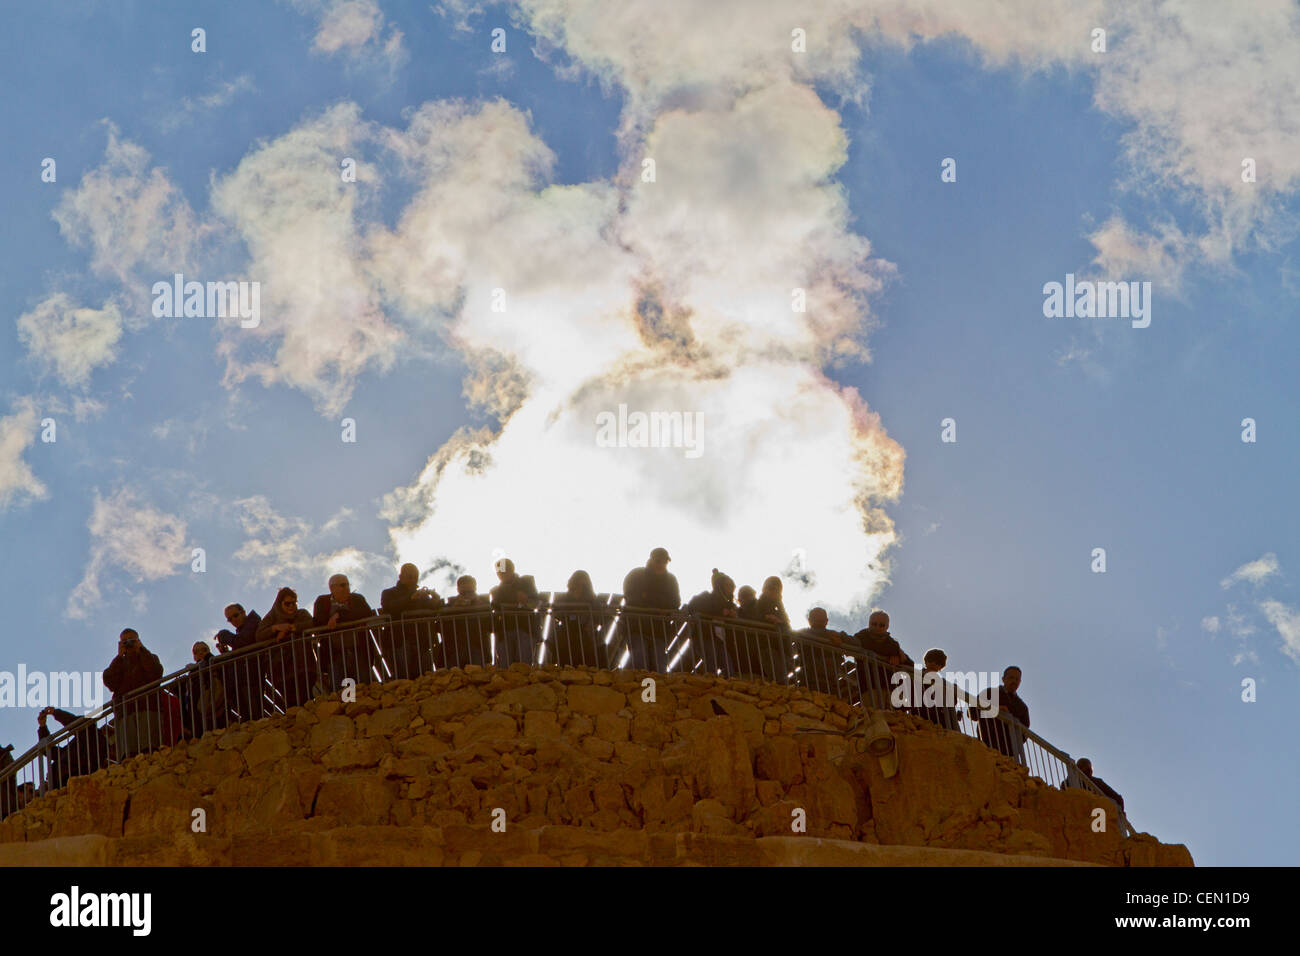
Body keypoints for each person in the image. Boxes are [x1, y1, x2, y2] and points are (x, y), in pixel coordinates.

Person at [102, 629, 165, 758]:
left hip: (148, 707)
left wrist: (141, 650)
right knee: (128, 754)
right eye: (125, 641)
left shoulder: (149, 657)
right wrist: (119, 657)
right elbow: (110, 682)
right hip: (125, 712)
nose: (129, 644)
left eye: (132, 640)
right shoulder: (119, 663)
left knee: (150, 749)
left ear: (138, 641)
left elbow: (155, 674)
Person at [312, 574, 377, 690]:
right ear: (332, 588)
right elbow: (319, 621)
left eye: (348, 584)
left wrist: (339, 615)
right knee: (341, 690)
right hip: (334, 654)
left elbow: (365, 614)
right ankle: (348, 707)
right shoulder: (322, 601)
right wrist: (338, 617)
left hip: (360, 650)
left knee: (364, 687)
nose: (346, 587)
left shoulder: (357, 599)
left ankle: (364, 707)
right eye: (343, 585)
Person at [256, 587, 317, 710]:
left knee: (306, 698)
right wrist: (276, 628)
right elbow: (259, 635)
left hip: (303, 664)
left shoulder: (302, 614)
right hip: (281, 669)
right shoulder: (271, 618)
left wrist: (290, 628)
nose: (291, 606)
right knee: (291, 702)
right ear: (279, 604)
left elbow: (313, 623)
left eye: (294, 603)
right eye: (287, 603)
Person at [620, 548, 681, 671]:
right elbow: (631, 597)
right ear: (651, 559)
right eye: (658, 560)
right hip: (636, 627)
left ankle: (656, 690)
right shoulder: (636, 574)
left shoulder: (671, 580)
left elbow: (675, 603)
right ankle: (639, 688)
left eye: (664, 562)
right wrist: (660, 603)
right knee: (640, 661)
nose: (661, 564)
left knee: (659, 667)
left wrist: (648, 598)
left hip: (659, 630)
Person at [379, 564, 443, 679]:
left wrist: (436, 599)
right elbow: (389, 607)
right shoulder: (389, 593)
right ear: (400, 576)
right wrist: (410, 598)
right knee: (404, 677)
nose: (413, 579)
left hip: (422, 642)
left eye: (415, 577)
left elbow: (434, 608)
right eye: (410, 576)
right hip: (398, 642)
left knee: (425, 677)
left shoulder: (422, 596)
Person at [850, 610, 914, 709]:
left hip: (890, 688)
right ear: (869, 623)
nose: (877, 627)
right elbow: (848, 643)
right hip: (869, 687)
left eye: (881, 625)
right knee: (873, 718)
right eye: (874, 624)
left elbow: (910, 665)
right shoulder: (861, 637)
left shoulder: (892, 644)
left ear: (887, 627)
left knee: (892, 721)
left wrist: (901, 659)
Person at [36, 707, 111, 791]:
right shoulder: (76, 745)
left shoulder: (95, 739)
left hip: (78, 781)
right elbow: (51, 752)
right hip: (63, 785)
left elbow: (75, 723)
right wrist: (43, 727)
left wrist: (56, 713)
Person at [547, 570, 610, 668]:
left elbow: (601, 617)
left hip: (586, 636)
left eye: (582, 586)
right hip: (567, 635)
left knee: (589, 645)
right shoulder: (564, 599)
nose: (578, 589)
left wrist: (592, 625)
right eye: (576, 586)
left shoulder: (593, 600)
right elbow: (555, 614)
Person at [216, 604, 268, 722]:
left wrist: (224, 635)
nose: (234, 620)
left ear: (243, 612)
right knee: (247, 713)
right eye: (230, 619)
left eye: (235, 615)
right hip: (243, 676)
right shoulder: (241, 631)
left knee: (254, 713)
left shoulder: (253, 621)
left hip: (252, 675)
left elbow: (243, 641)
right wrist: (226, 653)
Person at [490, 558, 539, 667]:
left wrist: (525, 601)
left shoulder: (527, 582)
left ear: (512, 570)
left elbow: (535, 602)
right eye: (499, 572)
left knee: (524, 664)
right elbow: (495, 605)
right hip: (504, 630)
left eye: (504, 571)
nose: (501, 575)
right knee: (505, 666)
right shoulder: (496, 590)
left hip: (525, 629)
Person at [791, 608, 853, 695]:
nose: (818, 623)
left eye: (821, 620)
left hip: (830, 684)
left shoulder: (834, 635)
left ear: (826, 621)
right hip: (810, 682)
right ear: (810, 621)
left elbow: (857, 643)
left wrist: (841, 639)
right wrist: (836, 638)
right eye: (816, 619)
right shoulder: (804, 633)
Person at [976, 666, 1030, 763]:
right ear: (1003, 679)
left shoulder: (1022, 707)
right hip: (986, 746)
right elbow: (972, 712)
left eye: (1017, 679)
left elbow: (1024, 733)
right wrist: (994, 710)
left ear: (1020, 682)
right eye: (1011, 678)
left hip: (1008, 756)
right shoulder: (989, 693)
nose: (1014, 681)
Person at [178, 641, 228, 738]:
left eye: (204, 650)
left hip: (215, 712)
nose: (200, 653)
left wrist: (210, 656)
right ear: (194, 656)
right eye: (196, 651)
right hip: (197, 719)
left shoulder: (214, 663)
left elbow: (224, 671)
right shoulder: (191, 675)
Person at [441, 575, 492, 668]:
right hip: (455, 649)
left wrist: (479, 605)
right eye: (464, 593)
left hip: (478, 648)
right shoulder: (450, 604)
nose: (467, 595)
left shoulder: (483, 603)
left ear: (475, 589)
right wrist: (454, 608)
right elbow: (443, 627)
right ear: (458, 590)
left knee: (479, 676)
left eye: (470, 592)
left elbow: (491, 625)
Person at [912, 648, 959, 731]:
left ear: (941, 666)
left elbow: (951, 702)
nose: (933, 664)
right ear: (926, 661)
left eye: (937, 662)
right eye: (931, 660)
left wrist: (953, 692)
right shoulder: (915, 675)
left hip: (937, 720)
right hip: (919, 715)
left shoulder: (942, 683)